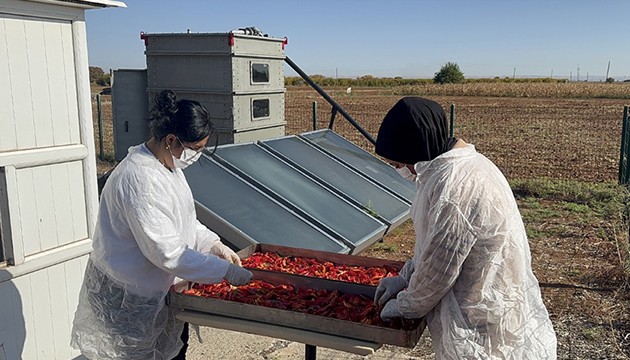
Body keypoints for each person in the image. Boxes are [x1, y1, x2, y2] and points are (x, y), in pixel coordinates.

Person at [71, 89, 253, 360]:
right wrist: (222, 271)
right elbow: (166, 251)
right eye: (196, 150)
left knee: (170, 352)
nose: (197, 156)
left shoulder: (168, 167)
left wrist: (213, 244)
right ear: (171, 140)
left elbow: (185, 222)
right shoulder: (140, 179)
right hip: (128, 301)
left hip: (157, 295)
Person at [373, 97, 557, 359]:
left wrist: (406, 305)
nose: (401, 170)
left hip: (483, 320)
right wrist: (405, 276)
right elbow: (432, 242)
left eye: (401, 163)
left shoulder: (455, 186)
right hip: (487, 305)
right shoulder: (457, 167)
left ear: (417, 148)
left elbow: (439, 270)